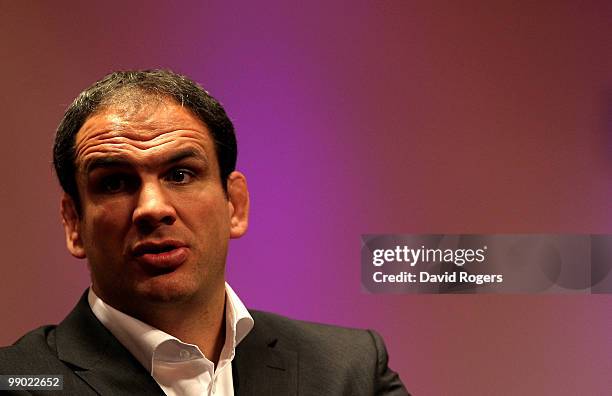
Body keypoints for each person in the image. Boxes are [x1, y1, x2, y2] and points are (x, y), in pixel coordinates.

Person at [0, 70, 409, 395]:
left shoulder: (349, 371)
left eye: (180, 174)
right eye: (114, 183)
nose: (152, 208)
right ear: (74, 223)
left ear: (235, 205)